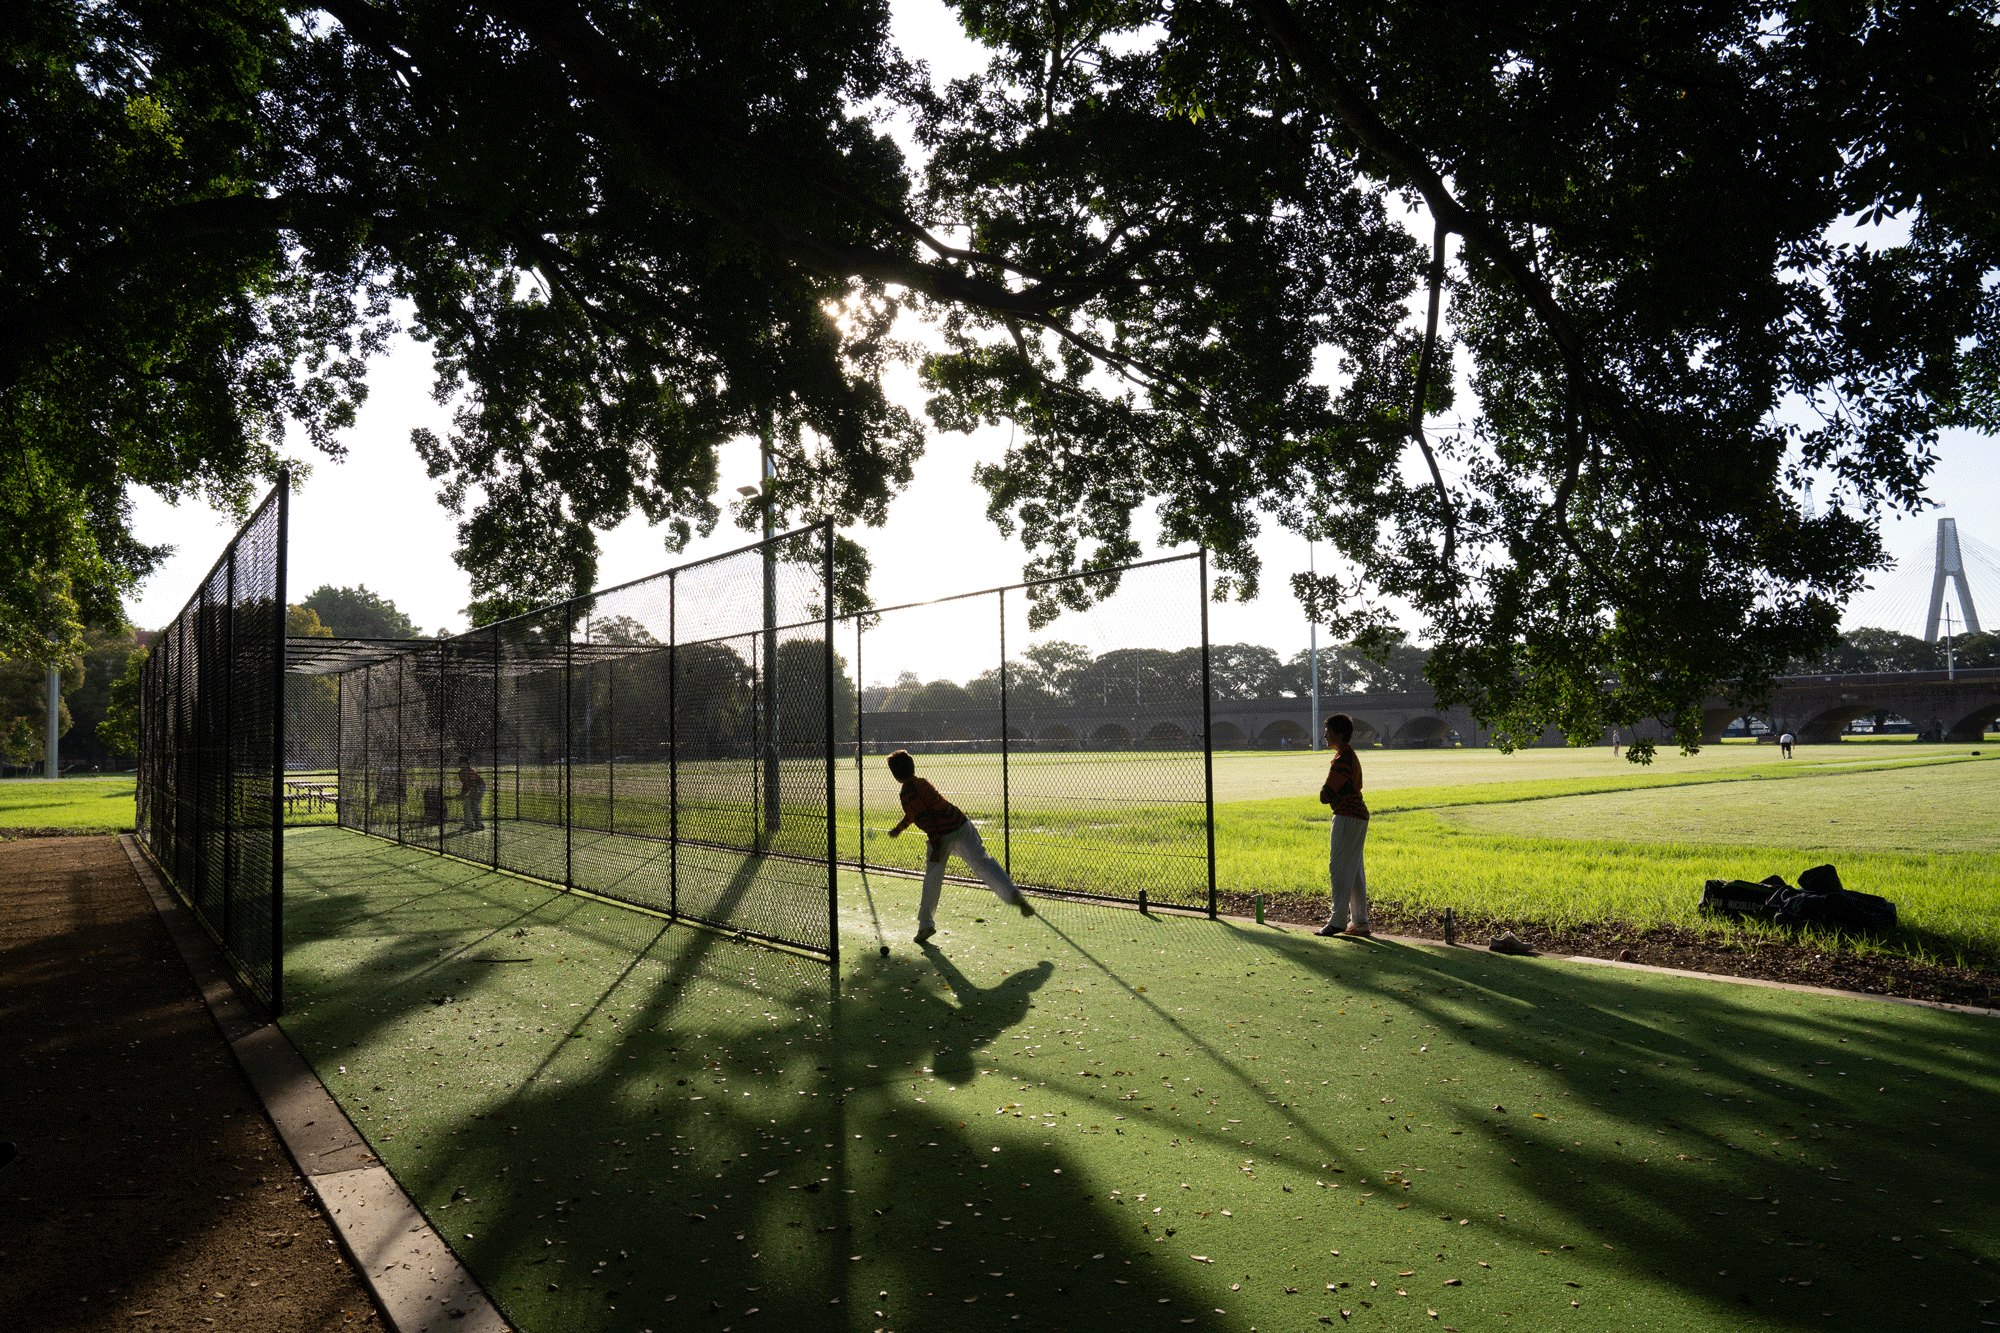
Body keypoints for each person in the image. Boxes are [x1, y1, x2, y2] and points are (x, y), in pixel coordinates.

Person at [884, 749, 1033, 944]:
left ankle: (925, 925)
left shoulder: (906, 793)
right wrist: (899, 828)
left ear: (895, 775)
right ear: (913, 767)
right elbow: (918, 812)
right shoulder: (923, 783)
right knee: (982, 862)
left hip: (941, 834)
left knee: (933, 876)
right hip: (961, 823)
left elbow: (923, 817)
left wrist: (936, 844)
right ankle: (1012, 893)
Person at [1315, 713, 1371, 938]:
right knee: (1354, 871)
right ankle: (1360, 922)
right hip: (1358, 815)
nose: (1326, 736)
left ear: (1339, 733)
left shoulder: (1341, 760)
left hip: (1347, 816)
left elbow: (1325, 795)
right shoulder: (1349, 755)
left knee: (1338, 868)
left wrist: (1324, 792)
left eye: (1328, 731)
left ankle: (1337, 921)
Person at [454, 755, 487, 832]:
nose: (460, 764)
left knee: (474, 805)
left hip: (479, 787)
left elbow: (474, 784)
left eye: (463, 763)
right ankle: (468, 824)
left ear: (467, 764)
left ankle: (479, 825)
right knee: (466, 805)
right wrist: (461, 794)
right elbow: (465, 785)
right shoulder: (461, 773)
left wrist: (473, 793)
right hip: (473, 788)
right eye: (460, 763)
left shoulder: (470, 772)